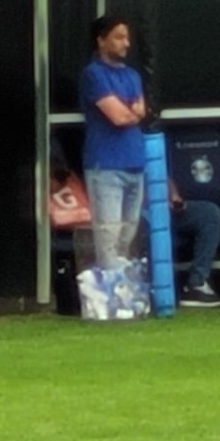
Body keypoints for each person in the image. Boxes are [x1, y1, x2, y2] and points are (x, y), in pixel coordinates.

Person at [50, 137, 220, 308]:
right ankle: (143, 292)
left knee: (208, 213)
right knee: (137, 229)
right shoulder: (105, 155)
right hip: (136, 214)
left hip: (162, 209)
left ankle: (197, 284)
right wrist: (152, 200)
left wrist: (174, 197)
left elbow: (160, 173)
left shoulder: (145, 141)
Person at [79, 14, 147, 271]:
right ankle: (108, 295)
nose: (126, 43)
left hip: (134, 162)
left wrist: (130, 111)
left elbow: (142, 110)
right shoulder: (93, 74)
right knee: (108, 235)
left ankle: (124, 294)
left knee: (128, 236)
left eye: (127, 37)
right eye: (118, 37)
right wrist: (130, 112)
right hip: (105, 164)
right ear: (101, 40)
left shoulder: (133, 75)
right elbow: (119, 116)